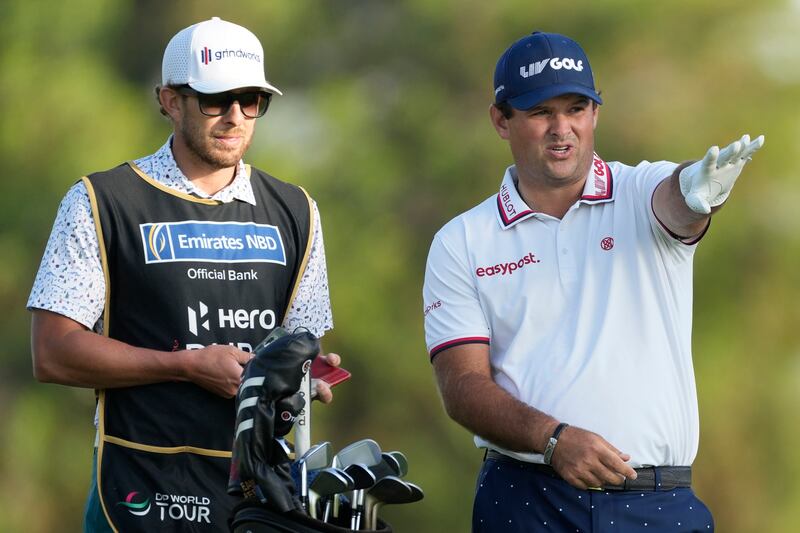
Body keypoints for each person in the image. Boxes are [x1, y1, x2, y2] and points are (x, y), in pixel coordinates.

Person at [422, 31, 764, 533]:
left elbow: (676, 204)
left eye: (577, 108)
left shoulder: (640, 189)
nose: (562, 129)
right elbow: (462, 386)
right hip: (524, 498)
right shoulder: (462, 240)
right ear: (501, 120)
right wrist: (552, 439)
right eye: (541, 112)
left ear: (595, 113)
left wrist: (696, 193)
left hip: (657, 501)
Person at [28, 17, 340, 533]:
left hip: (259, 497)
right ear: (170, 101)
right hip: (139, 489)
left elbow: (298, 343)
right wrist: (186, 365)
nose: (235, 117)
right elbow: (52, 352)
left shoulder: (297, 209)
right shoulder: (101, 201)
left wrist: (310, 375)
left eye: (251, 100)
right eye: (215, 100)